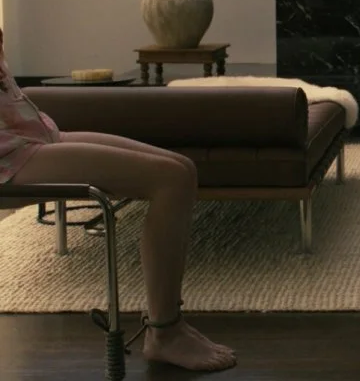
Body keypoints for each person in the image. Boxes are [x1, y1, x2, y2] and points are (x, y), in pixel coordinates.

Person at [0, 28, 237, 371]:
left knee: (182, 170)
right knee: (169, 180)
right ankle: (165, 332)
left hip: (32, 134)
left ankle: (170, 323)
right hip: (9, 156)